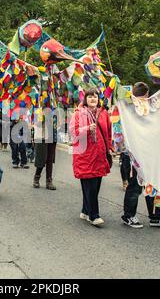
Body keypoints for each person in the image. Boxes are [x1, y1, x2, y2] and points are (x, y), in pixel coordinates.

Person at [121, 82, 160, 228]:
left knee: (154, 186)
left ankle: (156, 216)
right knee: (135, 188)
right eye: (145, 97)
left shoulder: (151, 110)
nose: (147, 99)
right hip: (133, 156)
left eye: (147, 97)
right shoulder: (129, 110)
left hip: (151, 155)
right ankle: (128, 216)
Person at [70, 88, 112, 226]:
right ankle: (94, 215)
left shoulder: (104, 113)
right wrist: (87, 128)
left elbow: (109, 131)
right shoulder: (79, 113)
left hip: (100, 154)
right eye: (90, 97)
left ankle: (85, 210)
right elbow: (73, 132)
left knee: (95, 186)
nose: (93, 99)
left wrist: (109, 147)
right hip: (85, 155)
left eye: (95, 97)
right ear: (85, 99)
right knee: (90, 186)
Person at [33, 110, 58, 190]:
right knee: (41, 157)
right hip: (42, 133)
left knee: (50, 158)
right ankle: (37, 177)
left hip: (53, 132)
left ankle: (49, 180)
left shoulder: (56, 101)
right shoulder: (39, 102)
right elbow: (36, 120)